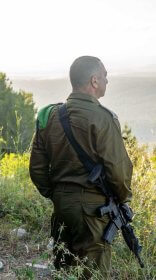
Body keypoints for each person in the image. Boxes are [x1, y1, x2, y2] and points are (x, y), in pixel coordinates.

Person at [29, 56, 133, 278]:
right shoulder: (103, 118)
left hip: (61, 206)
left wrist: (56, 194)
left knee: (64, 269)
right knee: (93, 272)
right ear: (94, 81)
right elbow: (119, 172)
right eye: (105, 76)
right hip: (94, 210)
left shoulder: (51, 116)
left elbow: (37, 169)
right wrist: (122, 198)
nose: (107, 80)